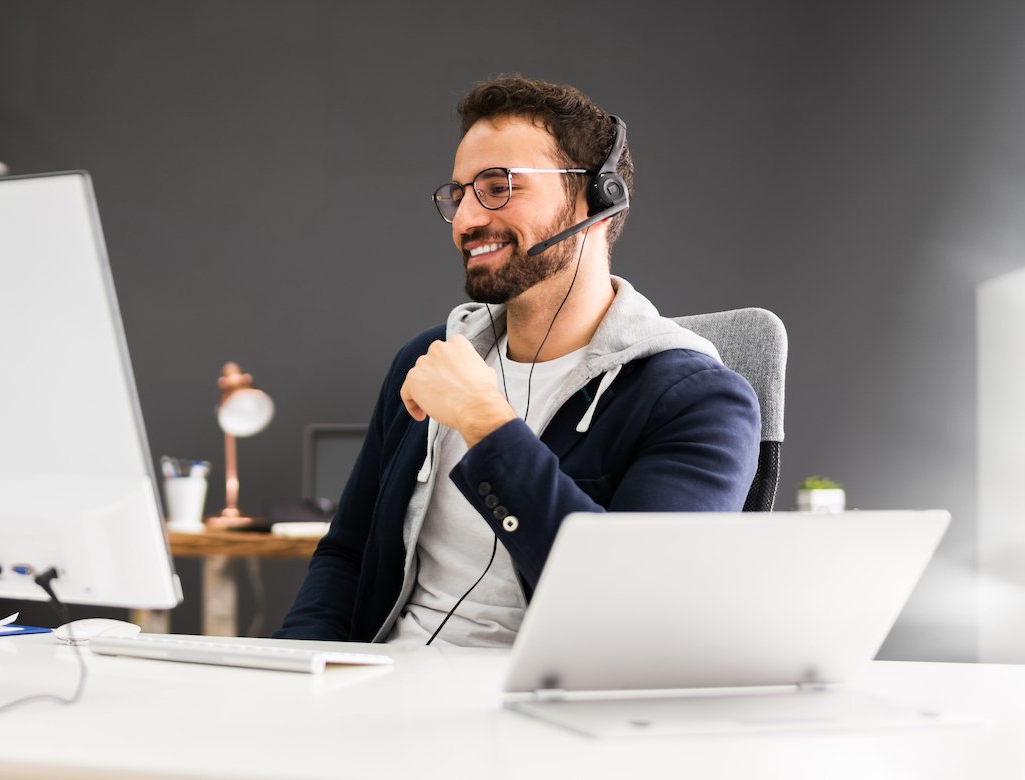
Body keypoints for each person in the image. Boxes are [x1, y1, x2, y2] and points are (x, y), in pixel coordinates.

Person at [275, 76, 760, 646]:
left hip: (535, 715)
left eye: (499, 187)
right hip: (379, 692)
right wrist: (295, 670)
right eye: (459, 195)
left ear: (598, 198)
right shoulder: (433, 360)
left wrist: (486, 421)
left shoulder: (697, 400)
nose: (465, 221)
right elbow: (346, 553)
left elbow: (630, 610)